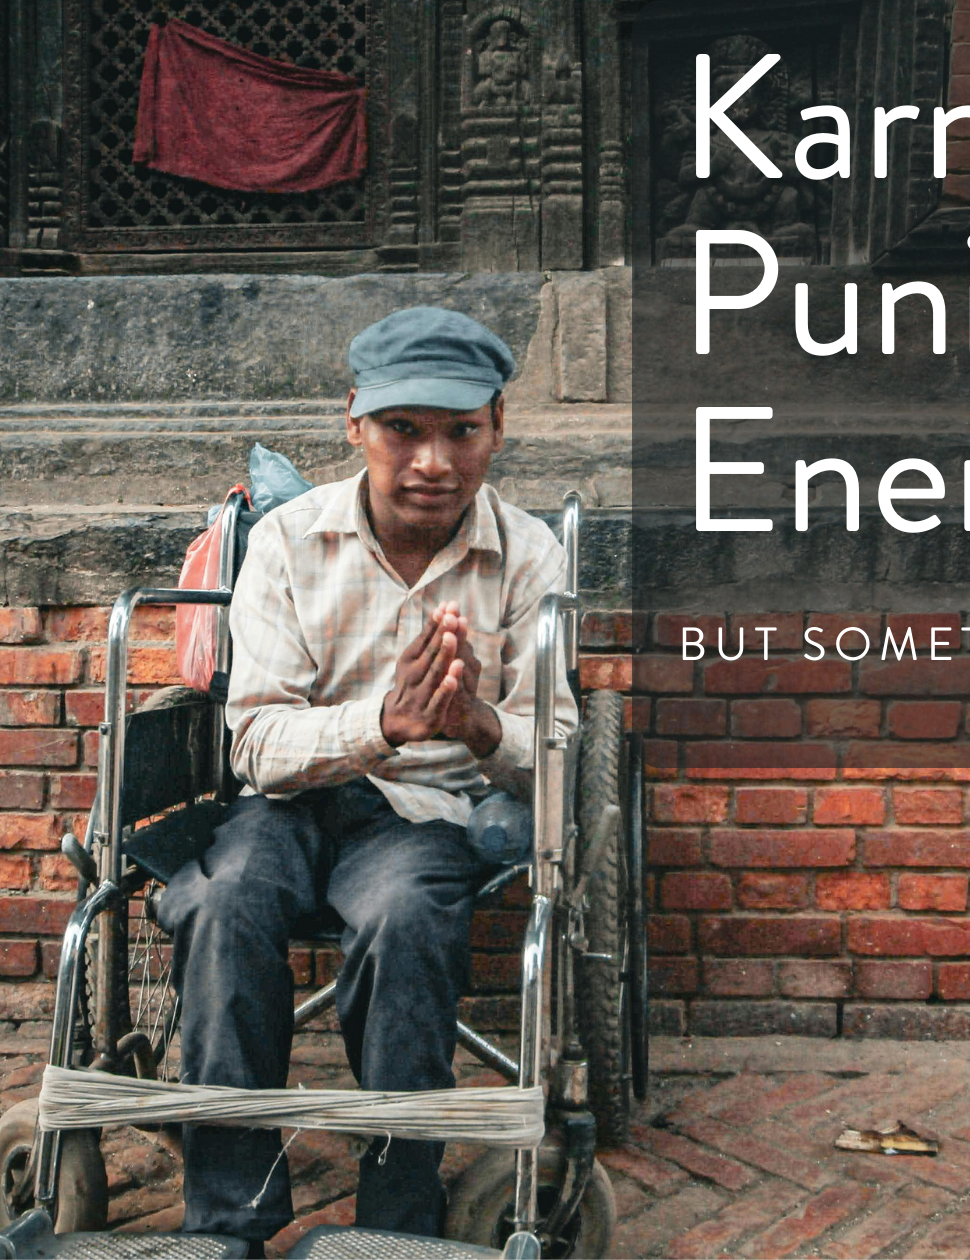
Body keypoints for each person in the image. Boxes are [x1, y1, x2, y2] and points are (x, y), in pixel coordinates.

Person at [153, 306, 574, 1250]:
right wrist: (380, 723)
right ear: (355, 424)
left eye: (461, 431)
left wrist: (474, 724)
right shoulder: (291, 542)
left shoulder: (529, 558)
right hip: (287, 806)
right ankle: (227, 1223)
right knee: (219, 907)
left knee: (405, 918)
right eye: (404, 430)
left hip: (425, 815)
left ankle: (397, 1224)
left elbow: (557, 745)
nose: (433, 462)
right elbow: (256, 741)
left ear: (497, 429)